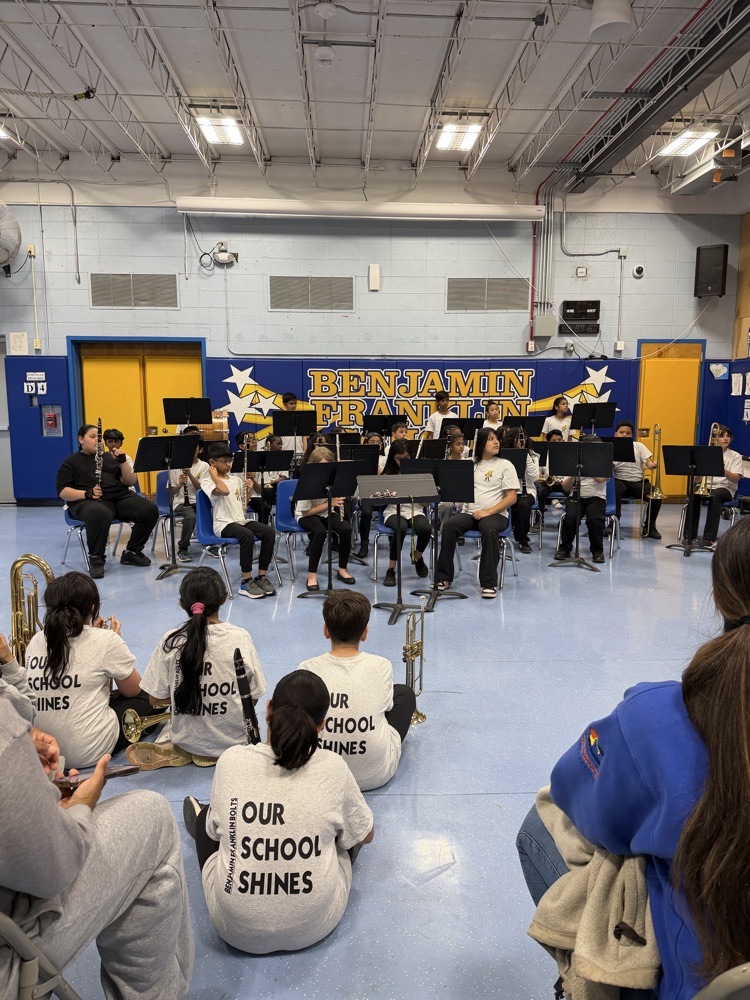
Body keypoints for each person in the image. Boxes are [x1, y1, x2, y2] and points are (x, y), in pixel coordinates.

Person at [517, 518, 750, 1000]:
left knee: (539, 820)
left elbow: (577, 796)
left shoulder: (657, 716)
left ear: (722, 595)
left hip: (696, 980)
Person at [0, 695, 194, 1000]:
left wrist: (18, 750)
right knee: (153, 817)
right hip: (10, 956)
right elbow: (54, 869)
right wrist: (79, 808)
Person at [182, 670, 374, 954]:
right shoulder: (333, 766)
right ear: (321, 725)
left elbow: (215, 834)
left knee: (207, 824)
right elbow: (366, 835)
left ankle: (204, 811)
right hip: (315, 925)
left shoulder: (231, 761)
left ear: (269, 709)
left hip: (234, 931)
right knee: (346, 832)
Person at [23, 571, 159, 769]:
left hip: (44, 750)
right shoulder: (106, 640)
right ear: (93, 608)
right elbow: (133, 690)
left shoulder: (37, 639)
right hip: (88, 752)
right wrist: (115, 640)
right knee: (152, 697)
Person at [141, 567, 266, 765]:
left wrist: (187, 693)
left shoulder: (171, 640)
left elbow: (155, 698)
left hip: (187, 742)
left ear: (182, 603)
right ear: (223, 599)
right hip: (234, 746)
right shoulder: (240, 637)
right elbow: (254, 697)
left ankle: (184, 749)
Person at [299, 590, 416, 789]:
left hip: (321, 775)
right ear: (365, 633)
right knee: (404, 694)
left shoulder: (307, 668)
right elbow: (388, 708)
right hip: (376, 775)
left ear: (326, 630)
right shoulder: (381, 665)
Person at [56, 423, 159, 579]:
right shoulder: (71, 462)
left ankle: (132, 551)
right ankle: (96, 558)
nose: (97, 441)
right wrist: (86, 493)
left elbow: (130, 481)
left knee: (149, 509)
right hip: (87, 501)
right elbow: (63, 491)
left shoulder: (109, 458)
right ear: (80, 439)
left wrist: (123, 461)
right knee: (99, 512)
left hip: (117, 497)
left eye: (98, 438)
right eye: (92, 437)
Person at [436, 427, 519, 599]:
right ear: (481, 443)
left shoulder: (505, 465)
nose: (496, 442)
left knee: (489, 530)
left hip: (496, 514)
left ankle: (489, 583)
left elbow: (511, 498)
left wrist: (488, 511)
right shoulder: (470, 464)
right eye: (490, 439)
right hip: (470, 513)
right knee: (449, 526)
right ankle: (443, 578)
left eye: (496, 438)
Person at [203, 442, 276, 599]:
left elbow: (242, 503)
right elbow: (223, 490)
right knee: (246, 535)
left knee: (269, 532)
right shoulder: (208, 481)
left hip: (239, 520)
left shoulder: (235, 480)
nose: (228, 465)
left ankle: (261, 576)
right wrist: (214, 475)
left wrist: (249, 492)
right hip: (223, 524)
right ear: (212, 463)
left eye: (230, 461)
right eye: (224, 461)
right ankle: (246, 580)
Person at [295, 446, 356, 592]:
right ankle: (311, 576)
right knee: (320, 532)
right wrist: (329, 503)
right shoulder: (307, 480)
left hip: (325, 512)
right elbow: (305, 513)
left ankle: (342, 569)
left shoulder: (333, 479)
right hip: (306, 515)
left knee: (346, 529)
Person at [378, 440, 431, 586]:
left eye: (406, 458)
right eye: (399, 459)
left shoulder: (420, 473)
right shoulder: (387, 473)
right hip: (393, 511)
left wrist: (419, 491)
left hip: (416, 509)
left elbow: (427, 504)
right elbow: (378, 502)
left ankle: (417, 557)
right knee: (400, 528)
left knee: (426, 529)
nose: (402, 462)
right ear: (392, 458)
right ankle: (391, 569)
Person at [554, 434, 609, 564]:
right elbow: (566, 487)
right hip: (576, 496)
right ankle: (565, 548)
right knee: (571, 518)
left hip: (596, 497)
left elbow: (602, 479)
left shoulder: (603, 463)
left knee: (594, 519)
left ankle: (597, 551)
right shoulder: (575, 463)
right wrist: (574, 472)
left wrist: (588, 465)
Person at [687, 423, 743, 549]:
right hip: (706, 485)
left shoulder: (735, 456)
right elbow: (697, 480)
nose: (725, 438)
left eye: (728, 436)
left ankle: (709, 539)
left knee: (715, 496)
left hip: (726, 488)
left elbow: (735, 479)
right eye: (721, 436)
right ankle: (689, 536)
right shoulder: (705, 454)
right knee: (694, 493)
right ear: (713, 439)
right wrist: (698, 471)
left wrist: (723, 470)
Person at [613, 420, 662, 540]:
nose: (625, 435)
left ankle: (650, 526)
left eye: (628, 433)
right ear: (616, 434)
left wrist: (652, 465)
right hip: (619, 480)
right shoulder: (612, 447)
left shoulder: (639, 446)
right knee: (613, 490)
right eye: (622, 432)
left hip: (638, 482)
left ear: (632, 435)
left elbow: (648, 462)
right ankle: (614, 523)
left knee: (656, 495)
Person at [168, 426, 207, 562]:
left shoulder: (204, 466)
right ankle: (183, 548)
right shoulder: (174, 465)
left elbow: (201, 489)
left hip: (198, 500)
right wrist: (179, 484)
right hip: (181, 502)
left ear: (200, 450)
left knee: (213, 510)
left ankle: (210, 542)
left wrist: (190, 474)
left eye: (194, 447)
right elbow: (171, 492)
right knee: (190, 517)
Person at [501, 426, 539, 554]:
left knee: (523, 505)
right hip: (506, 491)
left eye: (523, 438)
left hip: (525, 491)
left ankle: (523, 540)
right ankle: (498, 538)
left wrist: (525, 455)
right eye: (518, 439)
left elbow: (534, 477)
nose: (521, 441)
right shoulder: (502, 455)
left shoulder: (532, 455)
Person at [353, 433, 386, 560]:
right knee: (366, 513)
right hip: (367, 494)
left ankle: (392, 541)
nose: (376, 444)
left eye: (378, 442)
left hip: (384, 493)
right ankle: (364, 544)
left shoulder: (385, 459)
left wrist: (375, 459)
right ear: (365, 444)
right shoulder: (361, 460)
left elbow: (381, 476)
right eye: (372, 442)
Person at [536, 429, 567, 512]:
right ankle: (540, 517)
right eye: (554, 440)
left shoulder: (569, 454)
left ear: (563, 440)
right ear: (548, 442)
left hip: (565, 483)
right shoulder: (543, 455)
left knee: (574, 493)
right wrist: (541, 475)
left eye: (559, 440)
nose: (557, 442)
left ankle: (569, 517)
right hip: (549, 483)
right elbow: (539, 471)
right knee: (540, 491)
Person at [280, 391, 307, 456]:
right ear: (285, 404)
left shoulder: (300, 418)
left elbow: (304, 437)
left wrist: (306, 452)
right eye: (291, 403)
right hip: (285, 452)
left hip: (299, 452)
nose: (294, 406)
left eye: (295, 403)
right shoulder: (280, 418)